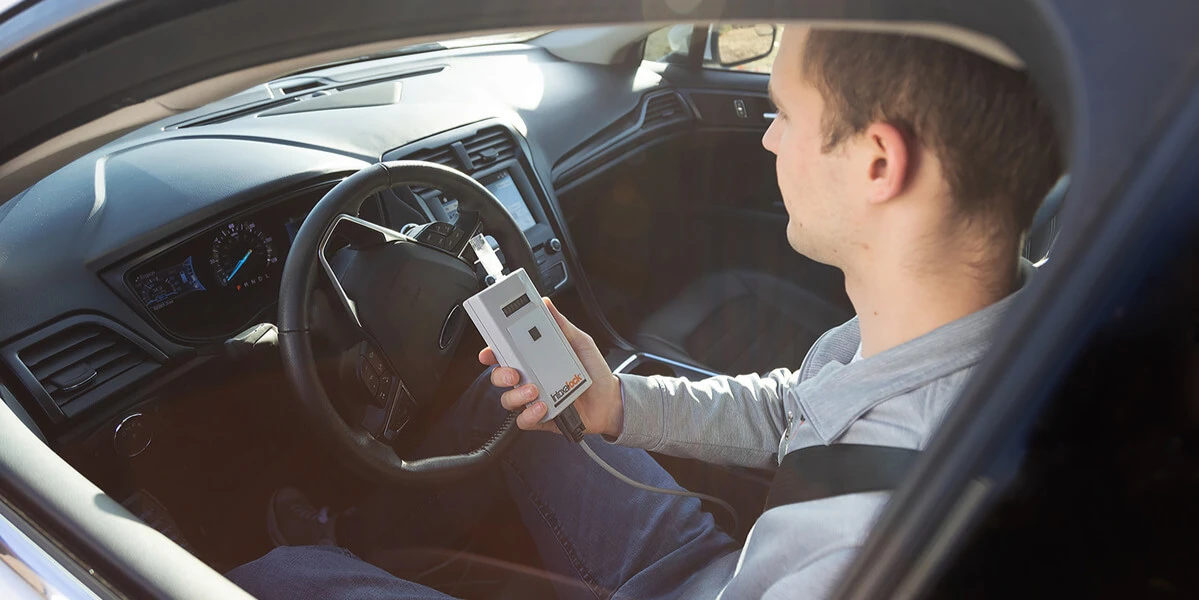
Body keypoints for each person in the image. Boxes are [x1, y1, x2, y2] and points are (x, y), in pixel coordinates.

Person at [227, 26, 1062, 599]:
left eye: (785, 114)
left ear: (878, 160)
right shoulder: (1004, 315)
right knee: (516, 400)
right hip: (720, 572)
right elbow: (796, 408)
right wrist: (619, 402)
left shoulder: (862, 546)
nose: (767, 139)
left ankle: (311, 555)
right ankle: (351, 534)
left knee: (284, 579)